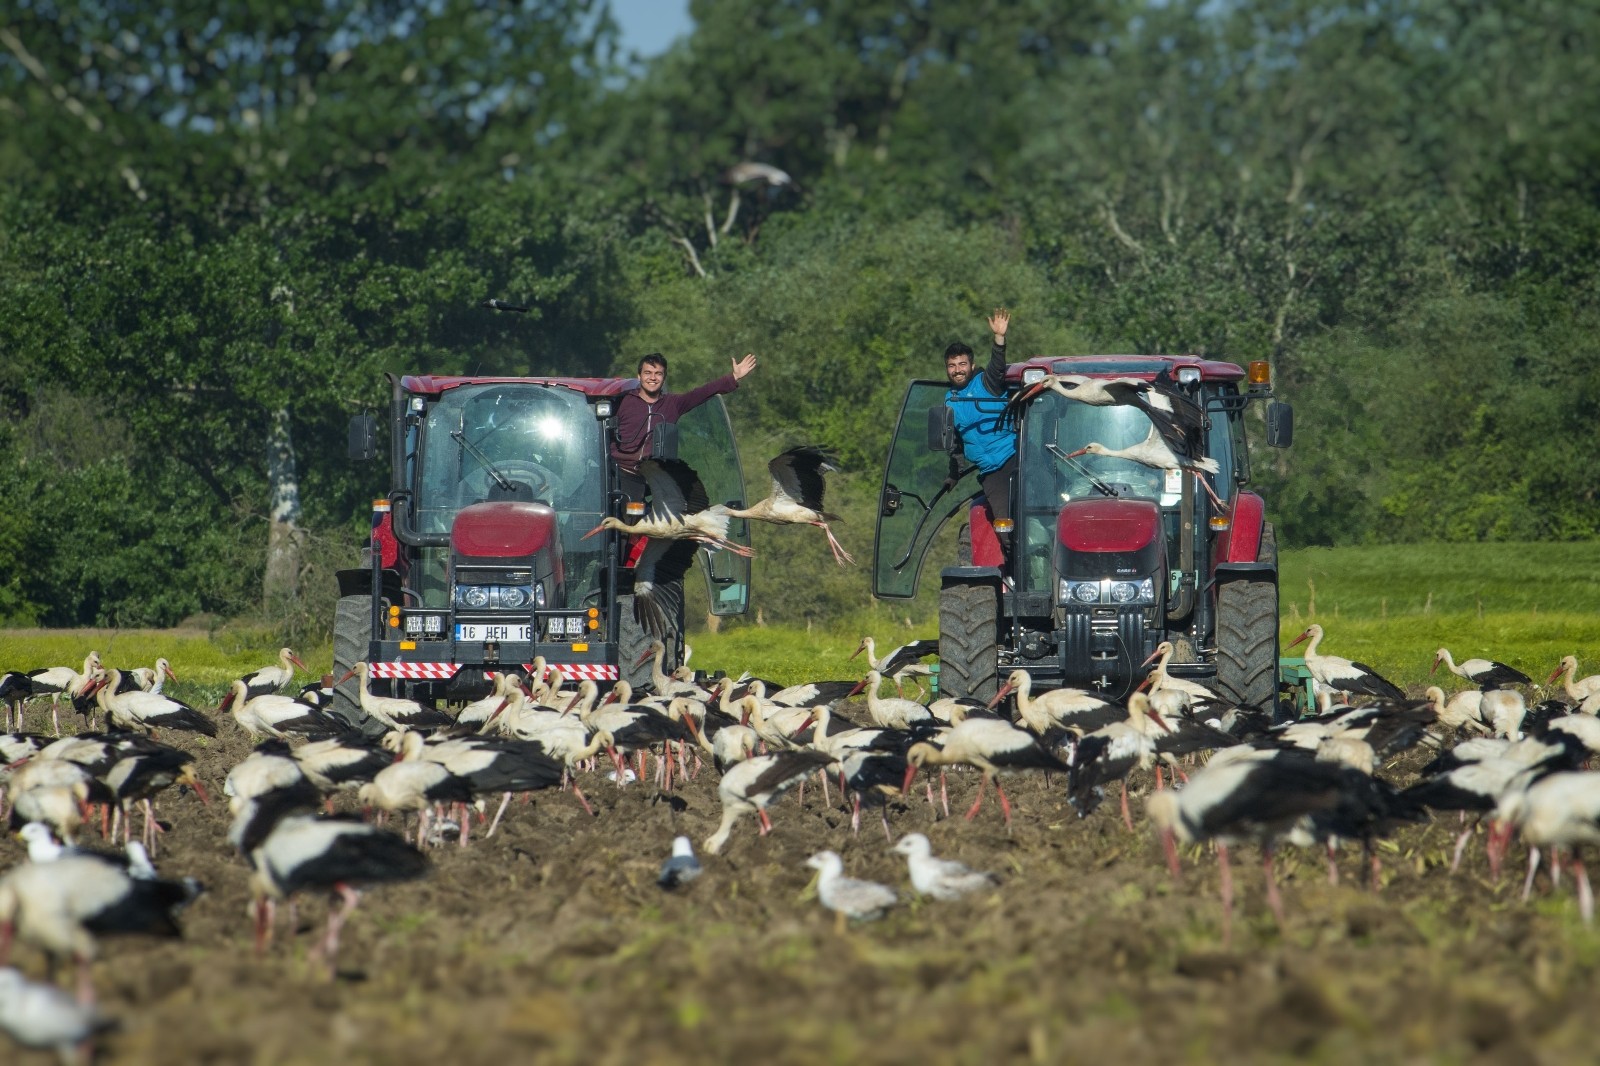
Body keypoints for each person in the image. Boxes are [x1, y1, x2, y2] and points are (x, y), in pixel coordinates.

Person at [611, 351, 758, 503]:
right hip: (620, 472)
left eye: (658, 373)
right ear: (639, 376)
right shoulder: (623, 402)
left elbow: (703, 392)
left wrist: (733, 377)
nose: (653, 378)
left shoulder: (673, 404)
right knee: (621, 516)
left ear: (664, 378)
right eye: (647, 373)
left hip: (651, 475)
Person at [944, 308, 1016, 567]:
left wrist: (999, 339)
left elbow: (998, 368)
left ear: (971, 366)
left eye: (962, 364)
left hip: (1014, 459)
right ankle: (1012, 572)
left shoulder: (986, 384)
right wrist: (953, 474)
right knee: (1005, 528)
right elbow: (955, 444)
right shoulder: (949, 400)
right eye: (952, 366)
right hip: (990, 472)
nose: (957, 370)